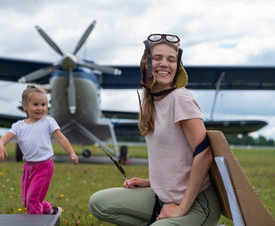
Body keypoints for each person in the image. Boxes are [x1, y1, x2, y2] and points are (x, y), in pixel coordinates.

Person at [89, 34, 221, 225]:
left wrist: (182, 208)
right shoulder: (151, 104)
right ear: (146, 65)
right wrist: (151, 182)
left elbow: (204, 154)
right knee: (99, 203)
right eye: (157, 58)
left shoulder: (180, 99)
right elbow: (173, 157)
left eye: (171, 59)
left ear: (177, 67)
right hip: (163, 197)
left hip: (198, 204)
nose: (164, 64)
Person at [0, 85, 78, 215]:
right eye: (35, 104)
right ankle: (50, 210)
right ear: (25, 106)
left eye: (43, 104)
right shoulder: (19, 126)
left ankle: (36, 222)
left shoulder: (48, 122)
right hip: (28, 167)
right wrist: (0, 144)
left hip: (44, 166)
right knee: (26, 201)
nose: (40, 108)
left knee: (32, 200)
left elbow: (61, 139)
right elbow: (6, 137)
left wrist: (72, 153)